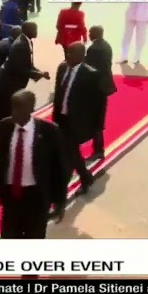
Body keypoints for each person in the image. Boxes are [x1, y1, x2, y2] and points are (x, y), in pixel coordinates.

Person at [0, 90, 67, 239]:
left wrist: (60, 201)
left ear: (31, 108)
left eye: (20, 107)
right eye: (13, 107)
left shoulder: (49, 131)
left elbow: (59, 168)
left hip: (37, 198)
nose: (15, 112)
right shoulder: (5, 127)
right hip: (11, 197)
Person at [52, 42, 103, 194]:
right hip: (61, 118)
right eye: (67, 52)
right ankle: (86, 177)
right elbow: (58, 94)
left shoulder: (91, 74)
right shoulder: (62, 68)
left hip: (76, 122)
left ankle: (62, 191)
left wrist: (95, 127)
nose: (68, 56)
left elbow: (96, 105)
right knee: (71, 152)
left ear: (82, 56)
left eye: (71, 53)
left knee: (70, 153)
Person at [0, 22, 49, 130]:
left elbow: (28, 65)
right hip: (9, 85)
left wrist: (39, 72)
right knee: (6, 111)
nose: (36, 31)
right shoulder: (20, 45)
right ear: (27, 30)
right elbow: (19, 69)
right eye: (34, 29)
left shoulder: (28, 42)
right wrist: (38, 74)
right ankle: (1, 133)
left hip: (15, 83)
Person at [85, 26, 116, 160]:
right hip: (104, 86)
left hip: (97, 88)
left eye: (91, 32)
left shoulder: (94, 49)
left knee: (96, 120)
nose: (89, 34)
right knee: (99, 117)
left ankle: (98, 150)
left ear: (96, 33)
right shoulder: (106, 45)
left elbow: (91, 69)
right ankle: (98, 148)